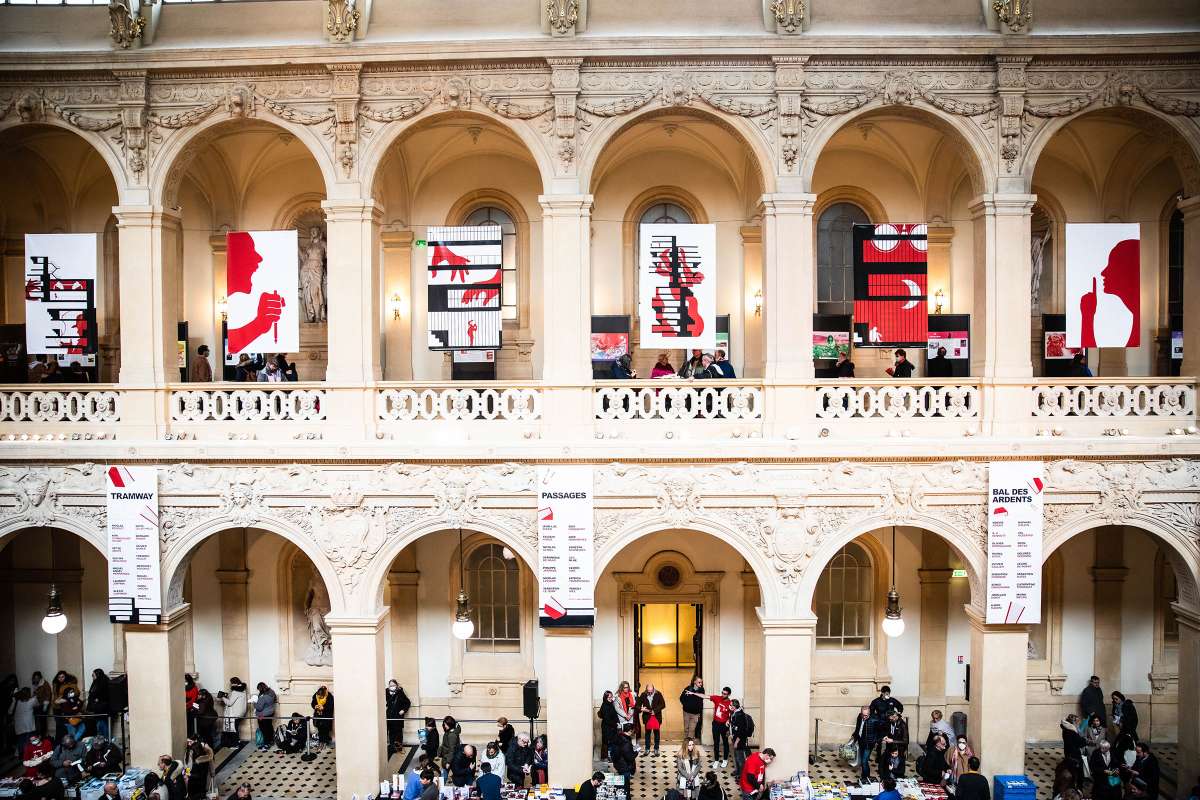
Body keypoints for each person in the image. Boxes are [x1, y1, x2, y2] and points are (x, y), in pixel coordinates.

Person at [217, 678, 248, 748]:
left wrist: (222, 697)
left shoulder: (235, 691)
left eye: (231, 683)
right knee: (236, 728)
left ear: (234, 683)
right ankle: (238, 741)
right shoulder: (243, 690)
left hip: (234, 714)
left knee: (233, 729)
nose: (230, 684)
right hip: (241, 713)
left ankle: (235, 744)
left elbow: (229, 703)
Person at [707, 686, 733, 768]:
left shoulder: (730, 703)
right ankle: (716, 760)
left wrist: (729, 724)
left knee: (725, 743)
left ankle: (725, 760)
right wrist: (693, 693)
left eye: (725, 694)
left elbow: (732, 714)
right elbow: (705, 696)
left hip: (724, 726)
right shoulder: (717, 698)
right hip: (715, 724)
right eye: (722, 692)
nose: (723, 694)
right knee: (716, 743)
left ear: (729, 694)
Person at [636, 682, 665, 756]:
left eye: (651, 691)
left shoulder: (658, 694)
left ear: (653, 689)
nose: (649, 693)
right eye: (648, 691)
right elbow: (637, 705)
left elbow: (663, 704)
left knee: (656, 733)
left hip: (656, 717)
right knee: (647, 734)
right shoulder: (643, 695)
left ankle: (656, 749)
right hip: (647, 717)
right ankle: (647, 749)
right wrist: (642, 709)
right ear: (646, 690)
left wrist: (655, 711)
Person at [851, 705, 877, 783]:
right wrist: (854, 737)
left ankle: (866, 777)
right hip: (861, 741)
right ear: (861, 713)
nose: (864, 717)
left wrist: (874, 740)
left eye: (866, 715)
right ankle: (864, 776)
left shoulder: (874, 720)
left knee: (864, 761)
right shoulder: (859, 717)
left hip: (868, 744)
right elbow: (858, 728)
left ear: (869, 713)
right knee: (863, 760)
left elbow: (881, 730)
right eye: (863, 715)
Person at [384, 681, 411, 754]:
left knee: (398, 732)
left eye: (393, 685)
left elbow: (407, 702)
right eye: (390, 685)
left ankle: (398, 748)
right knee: (390, 733)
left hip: (397, 716)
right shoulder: (385, 692)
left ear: (396, 685)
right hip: (388, 716)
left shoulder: (400, 692)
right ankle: (391, 747)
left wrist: (403, 710)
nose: (392, 686)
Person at [184, 736, 214, 800]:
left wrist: (187, 775)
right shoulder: (204, 756)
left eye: (190, 741)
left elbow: (188, 766)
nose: (189, 743)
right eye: (188, 742)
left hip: (195, 782)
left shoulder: (197, 756)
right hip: (200, 782)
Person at [729, 699, 753, 778]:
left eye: (731, 705)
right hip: (735, 738)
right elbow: (735, 725)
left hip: (739, 740)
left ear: (734, 706)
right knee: (736, 755)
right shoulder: (735, 713)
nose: (730, 706)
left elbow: (741, 731)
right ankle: (738, 771)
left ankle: (742, 775)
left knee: (740, 758)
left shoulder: (740, 715)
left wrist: (736, 742)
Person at [1111, 691, 1138, 759]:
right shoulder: (1115, 705)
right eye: (1113, 699)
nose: (1115, 700)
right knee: (1119, 744)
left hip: (1128, 727)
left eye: (1116, 699)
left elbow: (1133, 718)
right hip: (1120, 727)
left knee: (1130, 744)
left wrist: (1122, 721)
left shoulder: (1127, 705)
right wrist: (1116, 719)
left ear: (1120, 698)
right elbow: (1114, 714)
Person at [612, 725, 637, 794]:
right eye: (633, 732)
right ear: (630, 731)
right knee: (626, 788)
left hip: (618, 764)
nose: (633, 733)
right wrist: (636, 752)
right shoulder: (626, 742)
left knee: (621, 785)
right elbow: (630, 757)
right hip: (625, 766)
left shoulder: (618, 737)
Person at [85, 669, 110, 739]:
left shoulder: (103, 683)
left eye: (93, 675)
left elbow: (104, 696)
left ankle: (105, 740)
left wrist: (97, 699)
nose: (92, 677)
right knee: (99, 725)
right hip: (96, 709)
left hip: (101, 709)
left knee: (101, 725)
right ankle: (101, 740)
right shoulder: (96, 683)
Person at [1059, 715, 1086, 779]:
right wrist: (1084, 740)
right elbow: (1079, 742)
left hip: (1068, 752)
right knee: (1077, 771)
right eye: (1077, 721)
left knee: (1070, 768)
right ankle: (1077, 785)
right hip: (1074, 754)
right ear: (1073, 722)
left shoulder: (1066, 728)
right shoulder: (1072, 731)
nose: (1079, 723)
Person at [680, 677, 705, 744]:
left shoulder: (701, 690)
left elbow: (701, 701)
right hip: (686, 712)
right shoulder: (688, 688)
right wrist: (686, 705)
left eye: (701, 682)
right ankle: (685, 742)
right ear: (694, 682)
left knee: (692, 729)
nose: (701, 684)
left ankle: (690, 744)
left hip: (695, 714)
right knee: (686, 728)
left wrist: (699, 711)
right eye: (699, 682)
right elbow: (681, 698)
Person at [11, 686, 37, 752]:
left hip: (19, 726)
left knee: (21, 740)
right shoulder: (32, 700)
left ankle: (21, 755)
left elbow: (10, 711)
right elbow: (37, 705)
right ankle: (27, 756)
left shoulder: (17, 702)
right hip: (29, 726)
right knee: (29, 741)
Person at [253, 683, 276, 751]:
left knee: (264, 729)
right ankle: (271, 741)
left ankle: (266, 743)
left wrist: (254, 702)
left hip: (262, 715)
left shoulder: (263, 697)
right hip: (270, 713)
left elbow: (259, 707)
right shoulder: (271, 693)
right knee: (269, 727)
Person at [598, 690, 620, 761]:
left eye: (611, 696)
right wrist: (616, 724)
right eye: (609, 697)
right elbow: (607, 719)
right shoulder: (604, 706)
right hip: (607, 727)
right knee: (606, 742)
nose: (611, 698)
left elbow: (614, 714)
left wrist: (617, 721)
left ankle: (611, 756)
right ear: (605, 697)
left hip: (612, 727)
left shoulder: (611, 704)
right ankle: (605, 757)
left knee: (612, 742)